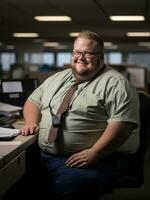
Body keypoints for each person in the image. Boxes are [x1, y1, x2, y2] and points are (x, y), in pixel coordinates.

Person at [20, 30, 140, 200]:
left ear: (101, 57)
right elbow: (33, 102)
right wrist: (30, 122)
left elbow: (122, 125)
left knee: (71, 186)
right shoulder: (58, 78)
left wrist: (95, 152)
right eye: (76, 52)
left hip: (86, 159)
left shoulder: (117, 84)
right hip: (44, 155)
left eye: (88, 53)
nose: (80, 57)